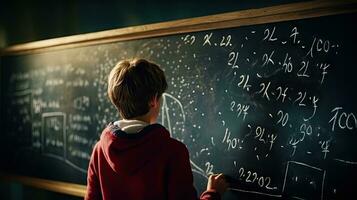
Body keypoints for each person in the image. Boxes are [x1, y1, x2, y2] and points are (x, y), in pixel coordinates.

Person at [85, 58, 228, 200]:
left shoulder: (99, 151)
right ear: (153, 100)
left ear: (115, 100)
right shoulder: (173, 152)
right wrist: (213, 193)